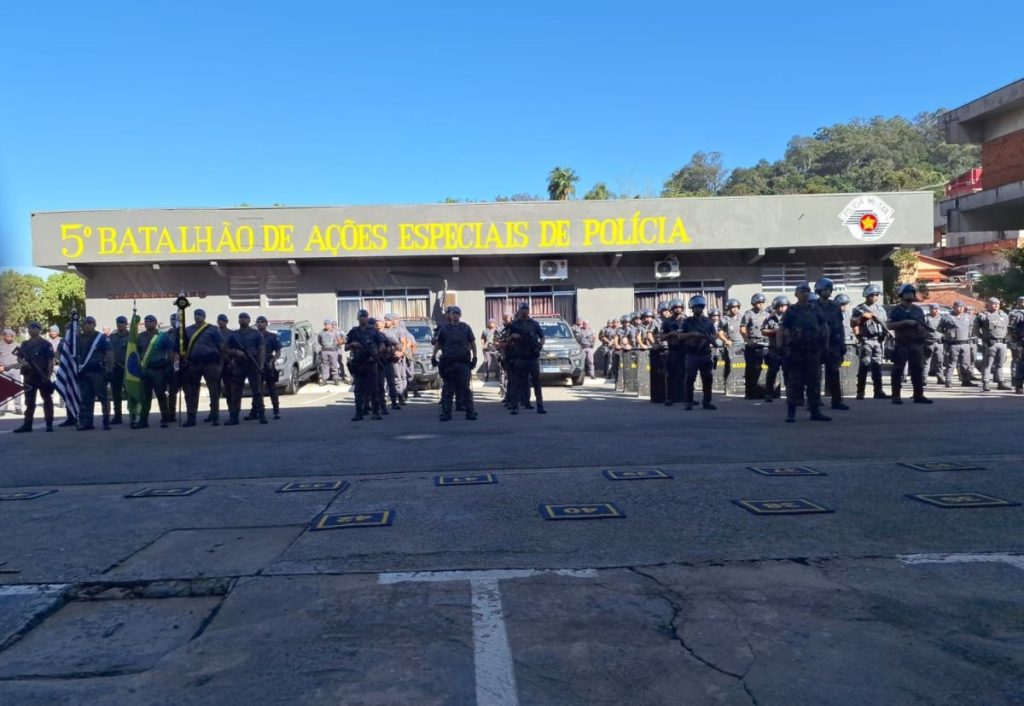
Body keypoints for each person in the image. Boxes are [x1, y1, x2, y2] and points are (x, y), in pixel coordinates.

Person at [779, 283, 831, 423]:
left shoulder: (816, 309)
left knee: (814, 382)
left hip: (813, 351)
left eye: (808, 291)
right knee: (795, 383)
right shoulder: (791, 310)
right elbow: (782, 328)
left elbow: (824, 327)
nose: (806, 293)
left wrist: (825, 346)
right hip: (796, 351)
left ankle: (815, 412)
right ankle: (791, 413)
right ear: (796, 294)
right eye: (802, 291)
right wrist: (780, 347)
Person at [886, 284, 933, 404]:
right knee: (898, 370)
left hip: (917, 344)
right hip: (902, 343)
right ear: (902, 295)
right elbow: (889, 325)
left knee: (917, 370)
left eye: (912, 293)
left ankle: (919, 395)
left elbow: (923, 326)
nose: (910, 295)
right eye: (907, 293)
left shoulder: (918, 310)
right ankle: (896, 396)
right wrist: (906, 322)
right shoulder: (896, 310)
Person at [433, 306, 478, 421]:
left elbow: (472, 343)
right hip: (449, 363)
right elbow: (438, 343)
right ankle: (446, 413)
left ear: (460, 315)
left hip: (463, 363)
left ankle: (470, 412)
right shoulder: (444, 328)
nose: (455, 315)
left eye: (457, 313)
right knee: (448, 389)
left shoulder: (466, 328)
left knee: (466, 389)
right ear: (450, 315)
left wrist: (475, 357)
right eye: (453, 313)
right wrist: (433, 356)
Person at [181, 309, 225, 426]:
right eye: (196, 315)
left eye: (200, 315)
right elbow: (183, 347)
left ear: (204, 317)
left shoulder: (212, 329)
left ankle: (214, 416)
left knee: (213, 391)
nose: (198, 317)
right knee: (192, 391)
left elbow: (222, 347)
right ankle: (191, 417)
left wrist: (220, 365)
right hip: (194, 363)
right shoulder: (188, 330)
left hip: (210, 363)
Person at [813, 278, 850, 411]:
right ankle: (814, 401)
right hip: (817, 344)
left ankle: (836, 401)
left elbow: (840, 326)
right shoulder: (812, 305)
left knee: (834, 373)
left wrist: (842, 344)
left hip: (833, 343)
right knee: (815, 374)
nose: (829, 292)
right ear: (819, 290)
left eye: (830, 289)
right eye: (826, 289)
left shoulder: (835, 306)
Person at [224, 312, 266, 425]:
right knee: (236, 392)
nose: (242, 319)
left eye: (245, 317)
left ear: (249, 320)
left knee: (257, 391)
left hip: (253, 364)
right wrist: (235, 352)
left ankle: (261, 415)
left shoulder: (256, 334)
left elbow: (261, 349)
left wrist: (261, 365)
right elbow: (226, 348)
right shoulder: (234, 335)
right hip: (239, 364)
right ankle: (234, 417)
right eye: (240, 317)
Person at [12, 322, 55, 432]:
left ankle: (49, 423)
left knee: (47, 400)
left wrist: (48, 376)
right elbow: (19, 358)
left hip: (42, 375)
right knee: (29, 401)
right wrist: (24, 363)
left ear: (39, 330)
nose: (30, 330)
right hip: (29, 376)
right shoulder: (25, 344)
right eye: (29, 328)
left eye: (33, 328)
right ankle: (27, 424)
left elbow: (51, 360)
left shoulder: (45, 344)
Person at [850, 284, 890, 400]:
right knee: (864, 366)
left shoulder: (880, 308)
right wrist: (863, 317)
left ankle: (878, 391)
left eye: (877, 295)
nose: (875, 297)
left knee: (877, 367)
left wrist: (885, 335)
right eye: (873, 295)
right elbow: (853, 323)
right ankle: (860, 392)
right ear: (868, 295)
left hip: (878, 340)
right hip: (866, 340)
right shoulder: (859, 309)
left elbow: (885, 323)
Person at [134, 314, 174, 429]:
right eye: (146, 321)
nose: (147, 323)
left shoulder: (163, 336)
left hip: (159, 370)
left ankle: (165, 418)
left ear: (155, 323)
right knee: (145, 396)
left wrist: (169, 366)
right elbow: (134, 353)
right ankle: (143, 420)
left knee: (161, 395)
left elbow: (170, 352)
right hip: (145, 370)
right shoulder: (140, 337)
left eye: (150, 321)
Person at [678, 296, 717, 411]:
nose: (699, 309)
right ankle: (689, 402)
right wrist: (692, 334)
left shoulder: (709, 322)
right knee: (690, 378)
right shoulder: (687, 322)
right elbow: (679, 335)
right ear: (692, 308)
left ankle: (707, 401)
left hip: (705, 353)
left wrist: (707, 338)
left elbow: (714, 335)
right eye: (696, 307)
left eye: (701, 307)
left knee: (707, 379)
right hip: (692, 354)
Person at [505, 303, 546, 415]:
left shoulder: (534, 324)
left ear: (528, 310)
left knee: (537, 382)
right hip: (520, 357)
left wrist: (540, 346)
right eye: (522, 309)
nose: (524, 311)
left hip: (532, 357)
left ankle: (540, 405)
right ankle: (514, 407)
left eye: (526, 309)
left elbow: (542, 337)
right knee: (517, 383)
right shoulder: (514, 324)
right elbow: (507, 341)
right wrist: (513, 337)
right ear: (519, 311)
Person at [75, 315, 114, 430]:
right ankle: (88, 422)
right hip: (84, 372)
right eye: (85, 323)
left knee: (103, 397)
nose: (87, 325)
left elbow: (109, 353)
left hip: (98, 372)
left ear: (94, 324)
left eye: (90, 323)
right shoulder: (78, 338)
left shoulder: (101, 338)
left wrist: (110, 369)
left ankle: (106, 421)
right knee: (86, 398)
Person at [345, 309, 385, 421]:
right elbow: (346, 347)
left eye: (365, 316)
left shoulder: (373, 331)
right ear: (358, 318)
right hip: (358, 364)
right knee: (358, 390)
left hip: (370, 363)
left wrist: (378, 351)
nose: (363, 318)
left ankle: (376, 412)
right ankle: (359, 413)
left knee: (373, 389)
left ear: (367, 317)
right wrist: (353, 344)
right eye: (361, 316)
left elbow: (382, 344)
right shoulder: (354, 332)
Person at [973, 296, 1011, 392]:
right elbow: (975, 329)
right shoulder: (983, 316)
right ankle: (986, 383)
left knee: (1000, 364)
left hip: (1002, 343)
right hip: (990, 343)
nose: (996, 305)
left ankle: (1000, 382)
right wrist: (982, 338)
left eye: (997, 304)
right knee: (987, 364)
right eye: (993, 304)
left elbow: (1007, 328)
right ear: (988, 305)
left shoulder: (1004, 315)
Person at [939, 300, 977, 387]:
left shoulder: (968, 317)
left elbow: (971, 328)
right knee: (952, 363)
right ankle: (948, 380)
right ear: (954, 307)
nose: (961, 308)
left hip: (965, 343)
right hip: (953, 344)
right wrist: (947, 336)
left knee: (965, 364)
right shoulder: (947, 317)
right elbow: (939, 328)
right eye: (958, 306)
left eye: (962, 307)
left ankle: (966, 381)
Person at [740, 293, 769, 399]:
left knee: (764, 368)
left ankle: (764, 391)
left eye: (762, 303)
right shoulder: (749, 313)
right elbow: (743, 329)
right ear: (754, 303)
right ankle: (750, 393)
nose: (761, 305)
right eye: (758, 303)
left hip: (765, 343)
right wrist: (747, 341)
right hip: (753, 344)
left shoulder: (767, 314)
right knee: (752, 370)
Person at [761, 295, 789, 403]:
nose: (782, 308)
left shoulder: (789, 317)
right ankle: (768, 393)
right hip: (774, 348)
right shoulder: (770, 318)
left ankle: (789, 392)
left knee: (788, 371)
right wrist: (777, 331)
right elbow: (763, 331)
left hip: (787, 348)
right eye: (780, 306)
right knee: (772, 371)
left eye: (784, 306)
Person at [254, 316, 282, 419]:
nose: (260, 324)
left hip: (268, 363)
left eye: (262, 322)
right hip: (256, 363)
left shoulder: (272, 336)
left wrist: (272, 361)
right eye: (258, 322)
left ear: (266, 324)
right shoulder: (254, 335)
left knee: (272, 388)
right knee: (257, 389)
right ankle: (257, 411)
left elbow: (278, 352)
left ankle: (276, 410)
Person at [660, 299, 686, 405]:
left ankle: (686, 397)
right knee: (671, 374)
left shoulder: (687, 320)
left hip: (685, 350)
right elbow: (661, 337)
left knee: (686, 375)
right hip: (673, 350)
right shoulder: (667, 322)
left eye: (679, 307)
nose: (677, 309)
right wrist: (671, 334)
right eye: (675, 307)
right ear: (671, 309)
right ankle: (670, 397)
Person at [107, 315, 130, 425]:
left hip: (128, 369)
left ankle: (133, 415)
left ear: (126, 324)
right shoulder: (112, 337)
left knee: (131, 393)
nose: (120, 324)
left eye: (122, 322)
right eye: (118, 322)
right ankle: (117, 416)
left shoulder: (131, 336)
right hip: (116, 368)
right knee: (116, 394)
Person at [719, 298, 744, 388]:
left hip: (741, 345)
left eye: (736, 307)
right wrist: (726, 340)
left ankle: (741, 383)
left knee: (742, 364)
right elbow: (720, 333)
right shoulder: (725, 319)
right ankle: (727, 384)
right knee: (729, 365)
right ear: (728, 308)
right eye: (732, 307)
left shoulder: (742, 317)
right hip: (730, 346)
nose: (735, 309)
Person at [0, 327, 23, 417]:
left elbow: (22, 358)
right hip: (3, 370)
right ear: (4, 336)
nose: (9, 337)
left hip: (15, 370)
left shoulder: (17, 345)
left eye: (11, 336)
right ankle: (2, 409)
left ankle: (18, 408)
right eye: (7, 336)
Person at [922, 303, 947, 386]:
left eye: (937, 309)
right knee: (926, 362)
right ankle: (923, 379)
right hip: (929, 343)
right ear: (930, 309)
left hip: (939, 343)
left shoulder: (942, 319)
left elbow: (946, 329)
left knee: (940, 361)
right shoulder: (925, 318)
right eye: (934, 309)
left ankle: (940, 378)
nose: (936, 310)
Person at [318, 319, 343, 386]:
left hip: (333, 351)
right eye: (325, 324)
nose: (326, 325)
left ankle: (336, 379)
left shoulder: (335, 332)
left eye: (327, 324)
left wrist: (337, 344)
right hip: (324, 351)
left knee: (334, 365)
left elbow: (340, 340)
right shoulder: (321, 333)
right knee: (325, 366)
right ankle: (324, 379)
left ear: (330, 325)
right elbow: (319, 341)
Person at [47, 324, 64, 409]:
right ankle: (50, 401)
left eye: (54, 331)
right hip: (49, 366)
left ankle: (62, 401)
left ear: (58, 332)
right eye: (51, 331)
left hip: (59, 365)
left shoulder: (62, 341)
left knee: (61, 383)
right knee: (50, 384)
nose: (53, 332)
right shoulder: (46, 342)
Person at [1009, 296, 1024, 394]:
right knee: (1020, 363)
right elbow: (1010, 328)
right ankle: (1018, 385)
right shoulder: (1014, 313)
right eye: (1021, 301)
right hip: (1020, 342)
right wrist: (1016, 339)